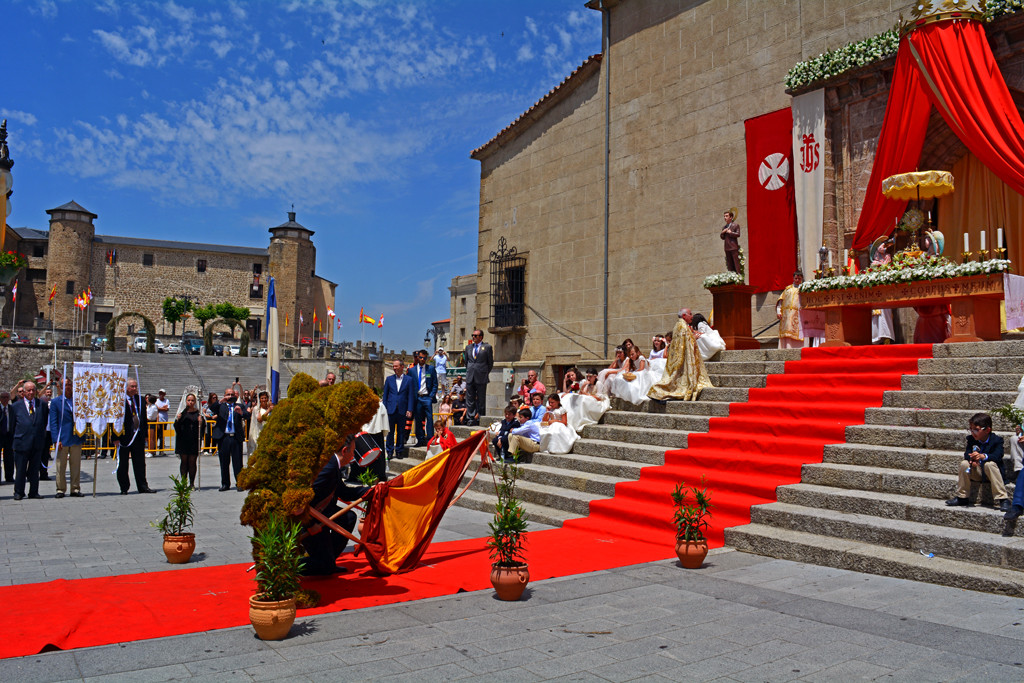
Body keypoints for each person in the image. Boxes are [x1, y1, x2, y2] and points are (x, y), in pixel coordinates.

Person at [301, 434, 374, 576]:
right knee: (323, 566)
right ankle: (285, 566)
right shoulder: (327, 467)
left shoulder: (332, 464)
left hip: (320, 513)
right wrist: (310, 524)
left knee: (348, 518)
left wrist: (371, 490)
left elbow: (344, 492)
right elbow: (300, 499)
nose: (354, 455)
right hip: (305, 519)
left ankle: (328, 558)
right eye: (353, 451)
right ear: (345, 450)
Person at [946, 413, 1010, 511]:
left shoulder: (997, 440)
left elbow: (998, 456)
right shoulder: (971, 440)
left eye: (976, 429)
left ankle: (1002, 499)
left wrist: (983, 456)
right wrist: (972, 459)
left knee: (990, 464)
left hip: (992, 474)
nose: (972, 432)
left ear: (987, 430)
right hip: (978, 472)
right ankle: (962, 497)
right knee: (964, 464)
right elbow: (967, 454)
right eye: (971, 429)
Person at [648, 308, 714, 402]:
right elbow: (685, 343)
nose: (692, 316)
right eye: (690, 314)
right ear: (684, 316)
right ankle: (659, 392)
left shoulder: (679, 325)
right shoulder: (682, 327)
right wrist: (693, 338)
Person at [9, 381, 50, 500]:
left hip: (36, 443)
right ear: (24, 392)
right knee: (21, 470)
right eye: (28, 390)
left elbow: (44, 421)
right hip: (21, 442)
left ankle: (34, 492)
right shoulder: (16, 406)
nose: (31, 392)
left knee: (34, 469)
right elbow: (12, 426)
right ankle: (19, 492)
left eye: (33, 390)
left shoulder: (41, 404)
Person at [118, 378, 155, 495]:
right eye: (132, 386)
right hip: (124, 436)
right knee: (123, 463)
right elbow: (115, 420)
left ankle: (143, 486)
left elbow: (143, 418)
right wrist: (115, 437)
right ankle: (124, 487)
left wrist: (145, 435)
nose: (135, 389)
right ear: (126, 388)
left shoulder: (141, 400)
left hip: (138, 435)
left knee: (140, 462)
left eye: (135, 386)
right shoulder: (119, 400)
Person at [49, 378, 84, 498]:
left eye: (69, 384)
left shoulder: (78, 400)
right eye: (65, 385)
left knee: (76, 465)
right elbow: (53, 422)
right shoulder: (56, 402)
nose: (68, 387)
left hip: (75, 437)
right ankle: (60, 489)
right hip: (62, 438)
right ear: (60, 387)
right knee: (61, 465)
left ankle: (75, 488)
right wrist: (55, 439)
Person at [213, 387, 250, 491]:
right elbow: (211, 408)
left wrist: (241, 413)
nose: (230, 397)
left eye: (232, 395)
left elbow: (248, 415)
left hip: (235, 438)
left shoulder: (239, 406)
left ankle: (239, 483)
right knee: (224, 462)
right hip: (224, 437)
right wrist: (220, 401)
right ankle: (225, 483)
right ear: (225, 395)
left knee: (238, 462)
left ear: (235, 396)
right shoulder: (221, 406)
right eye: (228, 394)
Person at [381, 359, 416, 459]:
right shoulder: (389, 379)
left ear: (402, 367)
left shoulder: (409, 380)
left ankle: (400, 450)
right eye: (393, 366)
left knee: (401, 432)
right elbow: (385, 396)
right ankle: (390, 451)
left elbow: (410, 396)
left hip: (402, 409)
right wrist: (385, 409)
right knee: (390, 432)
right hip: (391, 410)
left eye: (396, 366)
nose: (394, 368)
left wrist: (410, 409)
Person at [409, 349, 438, 447]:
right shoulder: (412, 370)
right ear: (418, 357)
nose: (422, 359)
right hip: (417, 398)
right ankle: (420, 439)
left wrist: (431, 396)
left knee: (429, 418)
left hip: (427, 397)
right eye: (420, 357)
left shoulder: (431, 369)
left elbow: (435, 384)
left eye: (424, 358)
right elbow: (409, 384)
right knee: (418, 419)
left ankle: (430, 438)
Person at [464, 330, 493, 426]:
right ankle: (470, 418)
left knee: (481, 399)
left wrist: (484, 372)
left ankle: (481, 417)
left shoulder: (487, 347)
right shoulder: (468, 347)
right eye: (472, 335)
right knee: (469, 398)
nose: (473, 337)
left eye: (475, 335)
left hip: (481, 376)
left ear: (481, 337)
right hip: (470, 376)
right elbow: (466, 362)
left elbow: (490, 363)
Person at [174, 393, 202, 489]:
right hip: (183, 440)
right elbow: (176, 427)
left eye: (192, 400)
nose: (190, 402)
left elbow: (202, 429)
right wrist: (178, 420)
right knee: (184, 461)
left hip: (193, 440)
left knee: (192, 461)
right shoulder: (182, 412)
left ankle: (192, 483)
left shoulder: (198, 413)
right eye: (189, 400)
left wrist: (201, 422)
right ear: (185, 401)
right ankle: (183, 482)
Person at [870, 240, 895, 344]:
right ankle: (876, 338)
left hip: (886, 292)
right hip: (876, 294)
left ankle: (886, 336)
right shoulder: (874, 263)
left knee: (886, 314)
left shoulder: (888, 258)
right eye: (881, 246)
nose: (884, 247)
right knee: (877, 316)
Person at [776, 272, 804, 350]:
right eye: (796, 278)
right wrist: (779, 311)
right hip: (786, 314)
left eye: (799, 279)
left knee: (796, 331)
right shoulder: (788, 289)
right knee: (787, 331)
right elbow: (780, 300)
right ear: (793, 278)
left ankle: (798, 348)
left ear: (802, 279)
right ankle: (786, 348)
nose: (797, 280)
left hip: (798, 313)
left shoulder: (804, 290)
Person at [720, 208, 741, 273]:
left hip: (733, 247)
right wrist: (722, 232)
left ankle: (739, 278)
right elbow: (722, 237)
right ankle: (731, 277)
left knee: (736, 263)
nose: (725, 217)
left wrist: (730, 232)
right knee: (729, 264)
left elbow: (738, 234)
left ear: (731, 217)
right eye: (724, 216)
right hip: (727, 247)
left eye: (726, 216)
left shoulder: (735, 225)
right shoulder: (724, 227)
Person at [0, 391, 13, 483]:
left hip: (9, 435)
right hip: (0, 435)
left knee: (9, 457)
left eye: (6, 397)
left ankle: (9, 477)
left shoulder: (12, 409)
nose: (5, 399)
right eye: (3, 397)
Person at [155, 388, 170, 453]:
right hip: (157, 420)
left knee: (162, 436)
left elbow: (166, 409)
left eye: (162, 393)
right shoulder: (156, 400)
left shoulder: (166, 400)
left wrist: (159, 408)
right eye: (160, 393)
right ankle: (154, 449)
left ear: (164, 394)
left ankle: (161, 450)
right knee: (156, 435)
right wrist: (163, 408)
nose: (161, 395)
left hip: (164, 420)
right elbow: (155, 409)